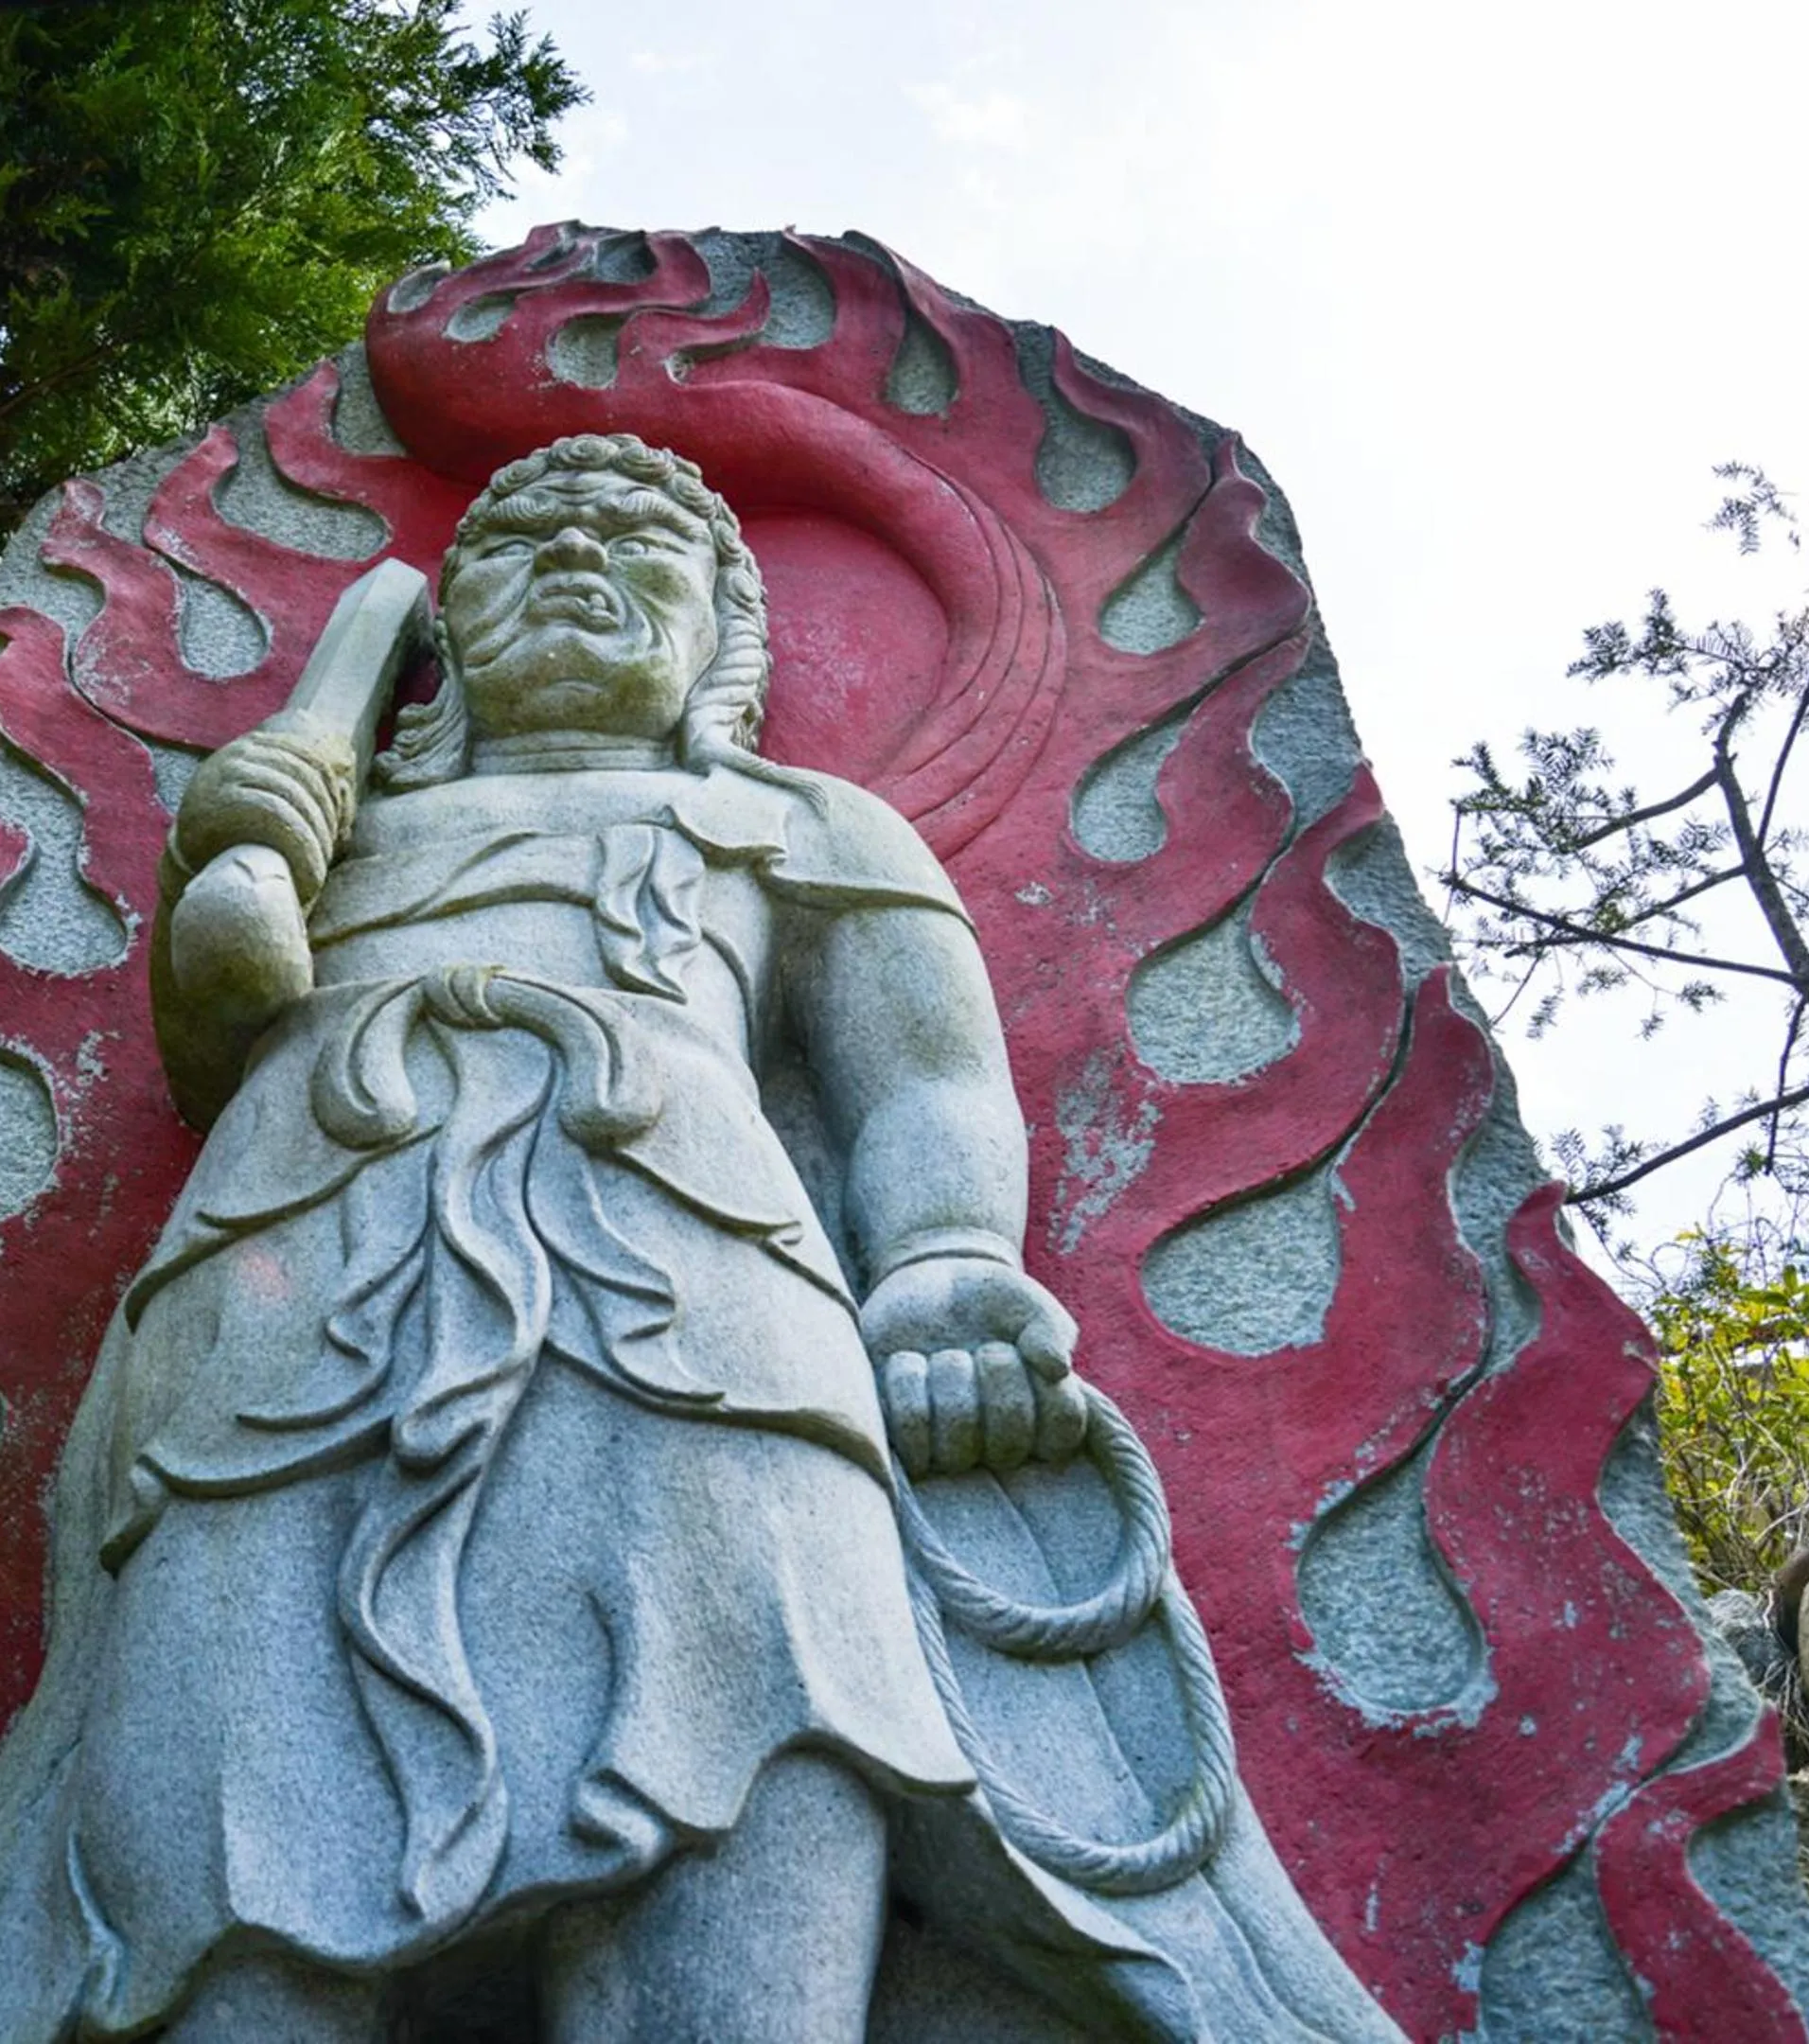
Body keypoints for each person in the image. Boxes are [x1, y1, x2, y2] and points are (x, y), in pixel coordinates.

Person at [59, 432, 1100, 2041]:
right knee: (233, 1791)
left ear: (722, 634)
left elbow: (925, 1080)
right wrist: (241, 845)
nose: (571, 557)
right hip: (291, 1285)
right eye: (518, 541)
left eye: (635, 539)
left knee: (746, 1722)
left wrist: (948, 1263)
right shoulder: (344, 826)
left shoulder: (802, 823)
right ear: (443, 629)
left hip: (700, 1300)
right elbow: (227, 1022)